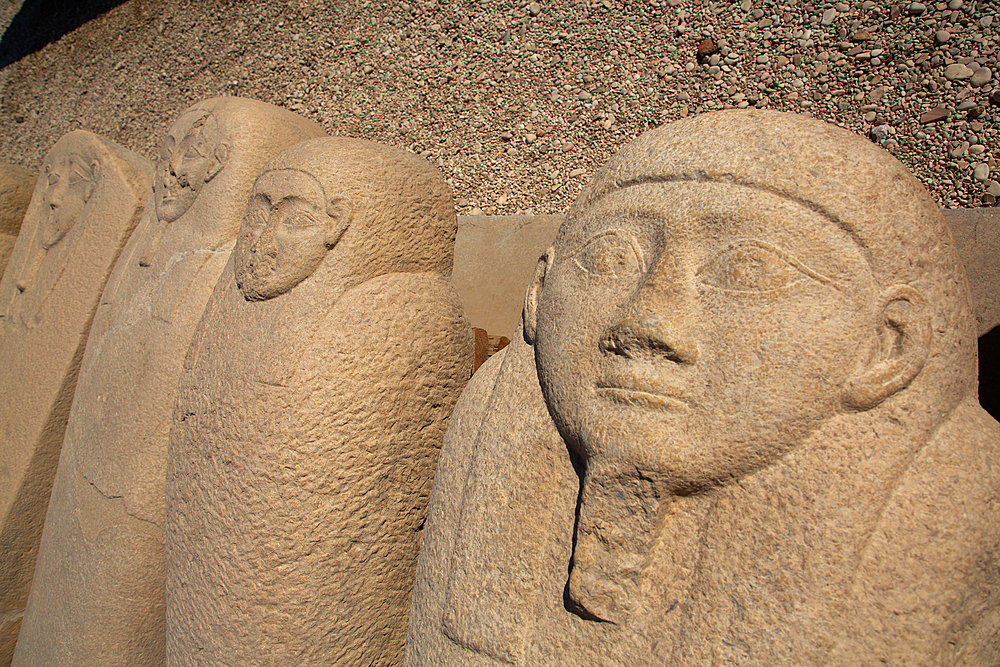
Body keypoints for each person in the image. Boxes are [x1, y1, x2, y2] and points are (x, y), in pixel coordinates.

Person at [405, 110, 1000, 666]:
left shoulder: (959, 517)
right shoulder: (489, 421)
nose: (646, 324)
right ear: (538, 296)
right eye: (610, 257)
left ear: (886, 345)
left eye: (748, 270)